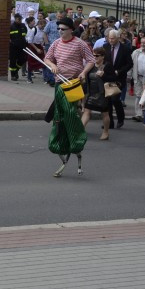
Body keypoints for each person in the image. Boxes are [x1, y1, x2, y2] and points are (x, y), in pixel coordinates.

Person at [43, 17, 95, 177]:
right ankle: (61, 143)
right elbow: (47, 58)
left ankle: (76, 140)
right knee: (59, 116)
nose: (60, 32)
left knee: (70, 114)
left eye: (63, 29)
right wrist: (53, 66)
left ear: (71, 30)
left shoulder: (80, 43)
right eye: (58, 29)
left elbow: (91, 60)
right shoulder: (56, 43)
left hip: (73, 83)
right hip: (60, 84)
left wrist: (83, 72)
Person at [102, 29, 133, 129]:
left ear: (118, 38)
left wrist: (119, 71)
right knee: (108, 101)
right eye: (109, 38)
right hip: (108, 77)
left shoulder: (125, 49)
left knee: (115, 99)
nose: (110, 40)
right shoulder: (105, 47)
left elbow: (129, 64)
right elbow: (103, 61)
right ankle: (109, 123)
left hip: (119, 79)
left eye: (113, 38)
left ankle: (120, 118)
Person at [82, 46, 113, 141]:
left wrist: (104, 75)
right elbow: (86, 79)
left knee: (104, 113)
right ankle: (80, 131)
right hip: (91, 93)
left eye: (97, 56)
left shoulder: (107, 65)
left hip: (103, 94)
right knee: (87, 111)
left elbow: (113, 78)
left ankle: (106, 132)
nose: (95, 57)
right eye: (93, 55)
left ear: (103, 56)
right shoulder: (91, 66)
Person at [131, 36, 145, 122]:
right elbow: (131, 64)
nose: (143, 44)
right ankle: (138, 114)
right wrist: (129, 76)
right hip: (138, 76)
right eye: (142, 43)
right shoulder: (136, 52)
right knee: (138, 95)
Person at [8, 14, 26, 81]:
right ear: (15, 19)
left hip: (22, 46)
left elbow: (25, 34)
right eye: (18, 19)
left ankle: (16, 71)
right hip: (13, 47)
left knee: (22, 59)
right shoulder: (11, 26)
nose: (20, 20)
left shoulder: (23, 26)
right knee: (12, 61)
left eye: (20, 19)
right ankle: (13, 75)